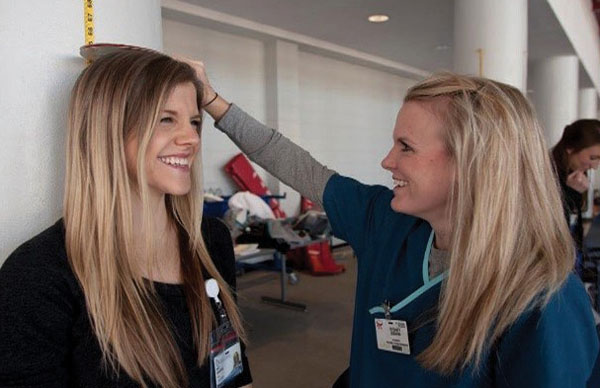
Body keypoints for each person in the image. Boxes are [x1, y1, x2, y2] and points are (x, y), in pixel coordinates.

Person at [190, 61, 599, 387]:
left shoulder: (544, 300)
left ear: (474, 164)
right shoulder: (386, 221)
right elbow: (297, 164)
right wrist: (210, 99)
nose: (387, 161)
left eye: (406, 146)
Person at [0, 50, 252, 388]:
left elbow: (233, 370)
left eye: (193, 121)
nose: (192, 138)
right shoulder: (38, 276)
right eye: (166, 119)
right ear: (109, 131)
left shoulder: (209, 240)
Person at [551, 119, 600, 275]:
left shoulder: (574, 171)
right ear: (570, 148)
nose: (595, 166)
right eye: (593, 158)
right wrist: (571, 193)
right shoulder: (547, 173)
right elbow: (553, 225)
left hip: (570, 254)